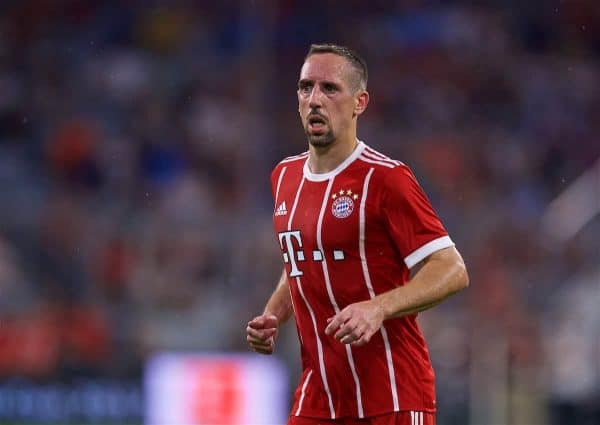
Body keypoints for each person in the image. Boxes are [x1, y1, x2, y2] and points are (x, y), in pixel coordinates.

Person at [246, 43, 469, 425]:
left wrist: (377, 307)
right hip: (319, 399)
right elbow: (300, 258)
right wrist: (273, 314)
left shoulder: (386, 178)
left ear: (359, 102)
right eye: (305, 87)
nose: (315, 99)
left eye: (329, 88)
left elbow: (451, 268)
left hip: (393, 396)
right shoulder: (284, 176)